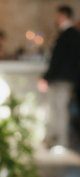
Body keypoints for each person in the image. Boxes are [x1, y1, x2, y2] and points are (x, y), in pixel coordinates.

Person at [38, 5, 80, 149]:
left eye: (57, 15)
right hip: (63, 78)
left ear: (63, 15)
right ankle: (55, 139)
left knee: (60, 109)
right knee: (56, 109)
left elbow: (59, 59)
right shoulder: (69, 33)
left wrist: (47, 77)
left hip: (62, 78)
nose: (55, 18)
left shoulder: (69, 34)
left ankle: (61, 141)